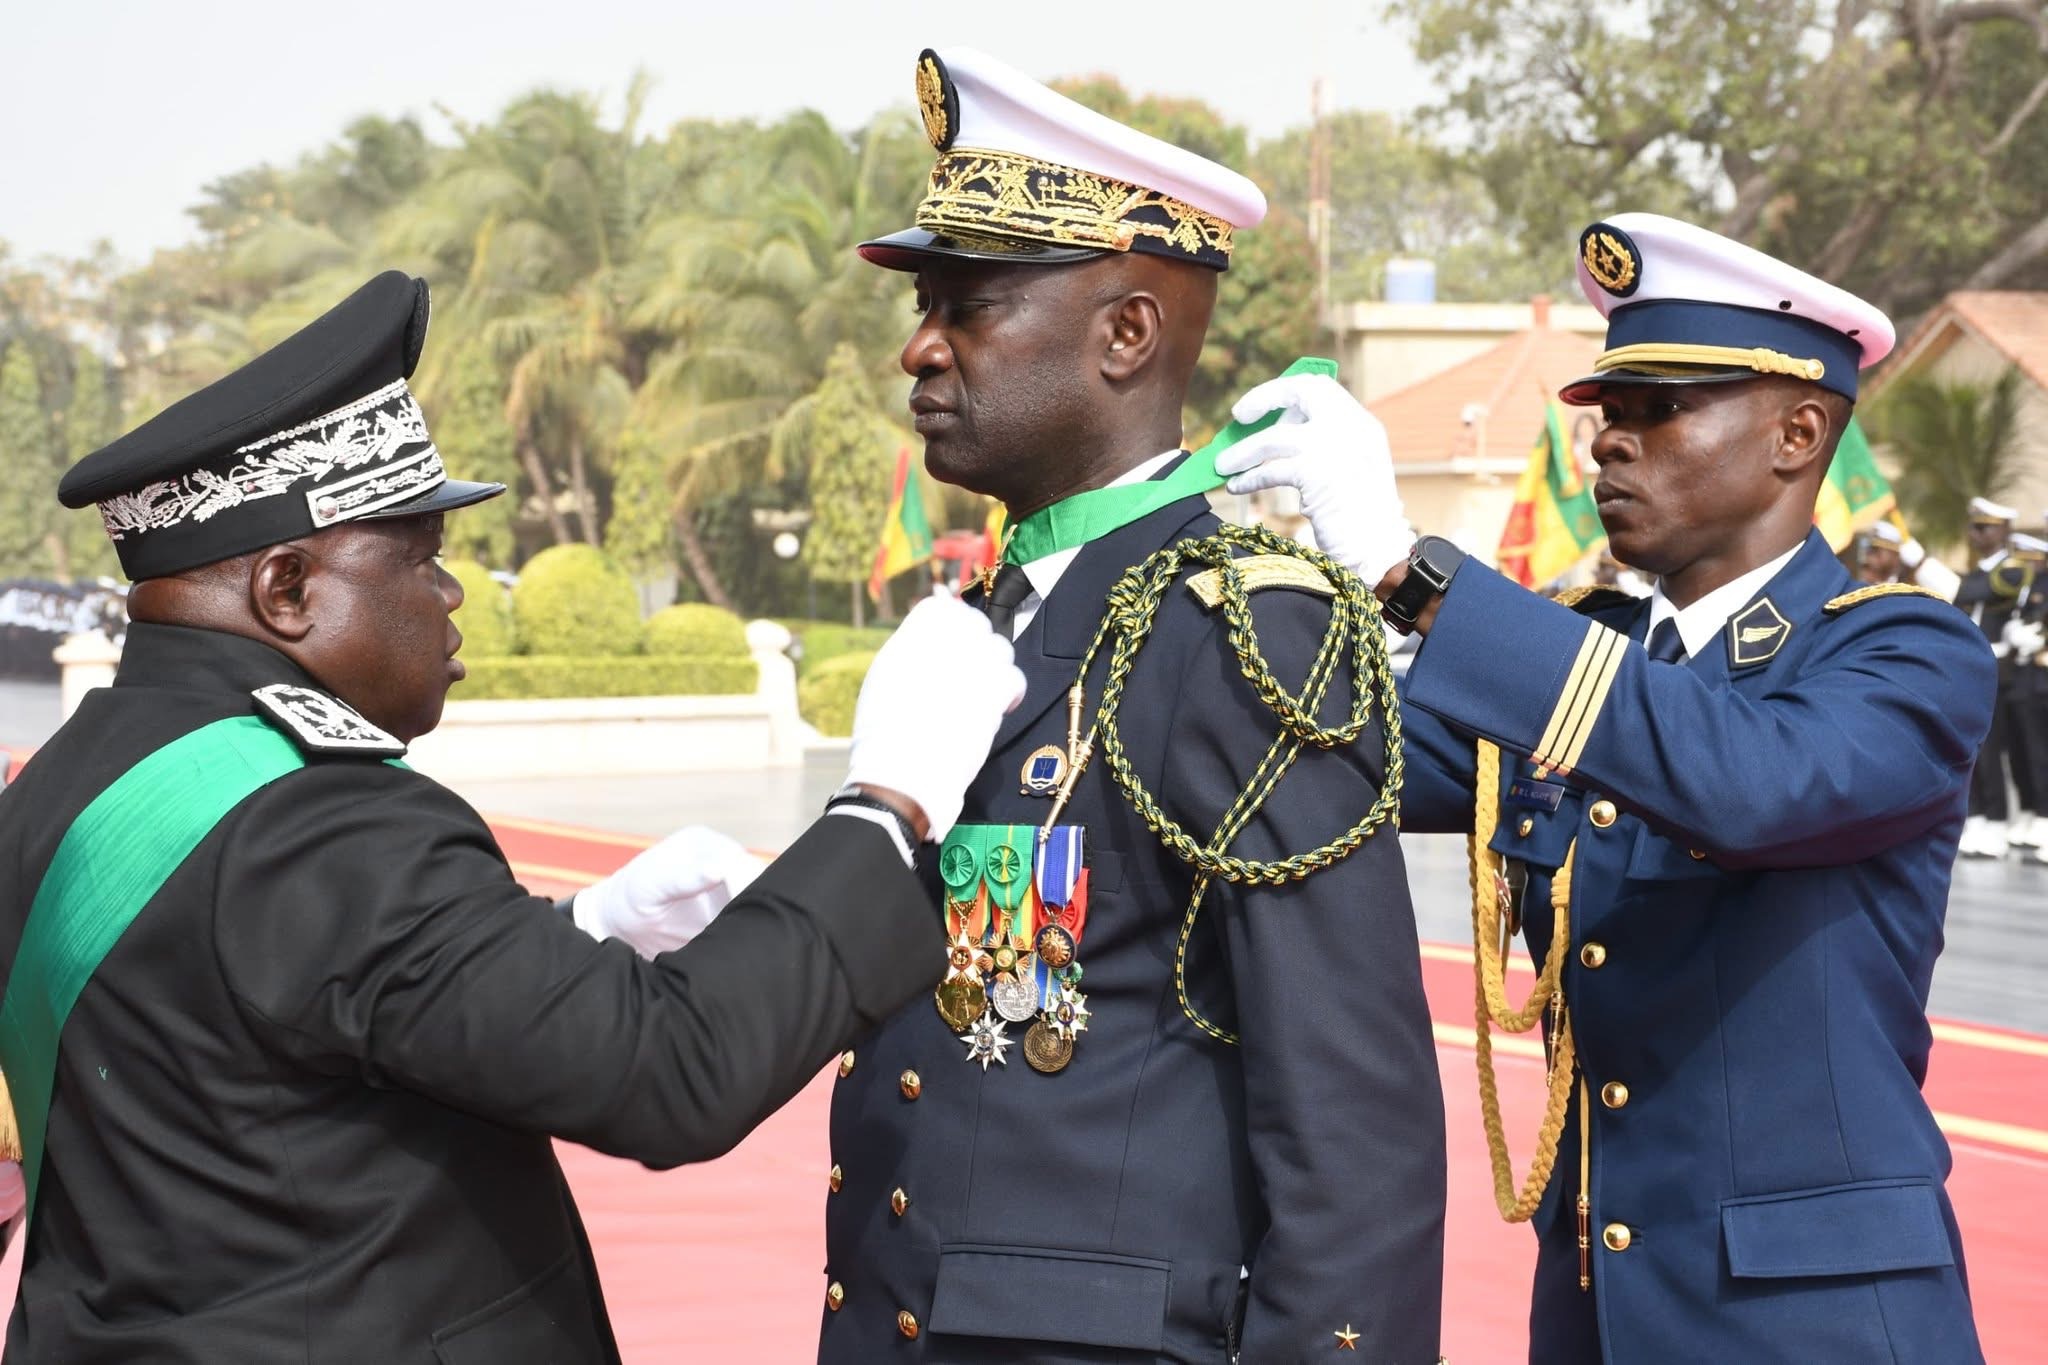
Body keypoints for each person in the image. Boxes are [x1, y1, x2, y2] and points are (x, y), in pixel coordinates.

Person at [0, 271, 1026, 1361]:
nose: (452, 595)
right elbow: (674, 1072)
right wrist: (884, 803)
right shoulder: (319, 821)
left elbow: (309, 1009)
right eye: (421, 557)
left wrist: (577, 931)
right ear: (287, 589)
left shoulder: (63, 782)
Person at [1225, 213, 1994, 1362]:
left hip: (1815, 1321)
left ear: (1795, 433)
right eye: (1605, 413)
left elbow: (1747, 781)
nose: (1608, 446)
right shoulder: (1575, 657)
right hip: (1597, 1304)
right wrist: (1145, 542)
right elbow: (1318, 753)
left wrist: (1413, 571)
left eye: (1658, 409)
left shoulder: (1902, 654)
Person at [817, 48, 1445, 1363]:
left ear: (1126, 335)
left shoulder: (1247, 636)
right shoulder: (995, 620)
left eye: (969, 306)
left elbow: (1351, 1129)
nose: (918, 347)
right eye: (927, 306)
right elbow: (1004, 1014)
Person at [1955, 498, 2029, 856]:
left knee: (1991, 748)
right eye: (1974, 527)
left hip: (1998, 667)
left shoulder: (2011, 570)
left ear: (2004, 531)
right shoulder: (1978, 571)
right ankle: (1978, 817)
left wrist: (1920, 562)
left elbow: (1972, 593)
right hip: (1971, 667)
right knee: (1971, 747)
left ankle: (1997, 822)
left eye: (1985, 528)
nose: (1976, 534)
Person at [1857, 518, 1961, 599]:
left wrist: (1921, 563)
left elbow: (1957, 594)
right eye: (1868, 549)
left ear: (1895, 553)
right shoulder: (1863, 584)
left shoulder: (1911, 583)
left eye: (1876, 550)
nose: (1869, 555)